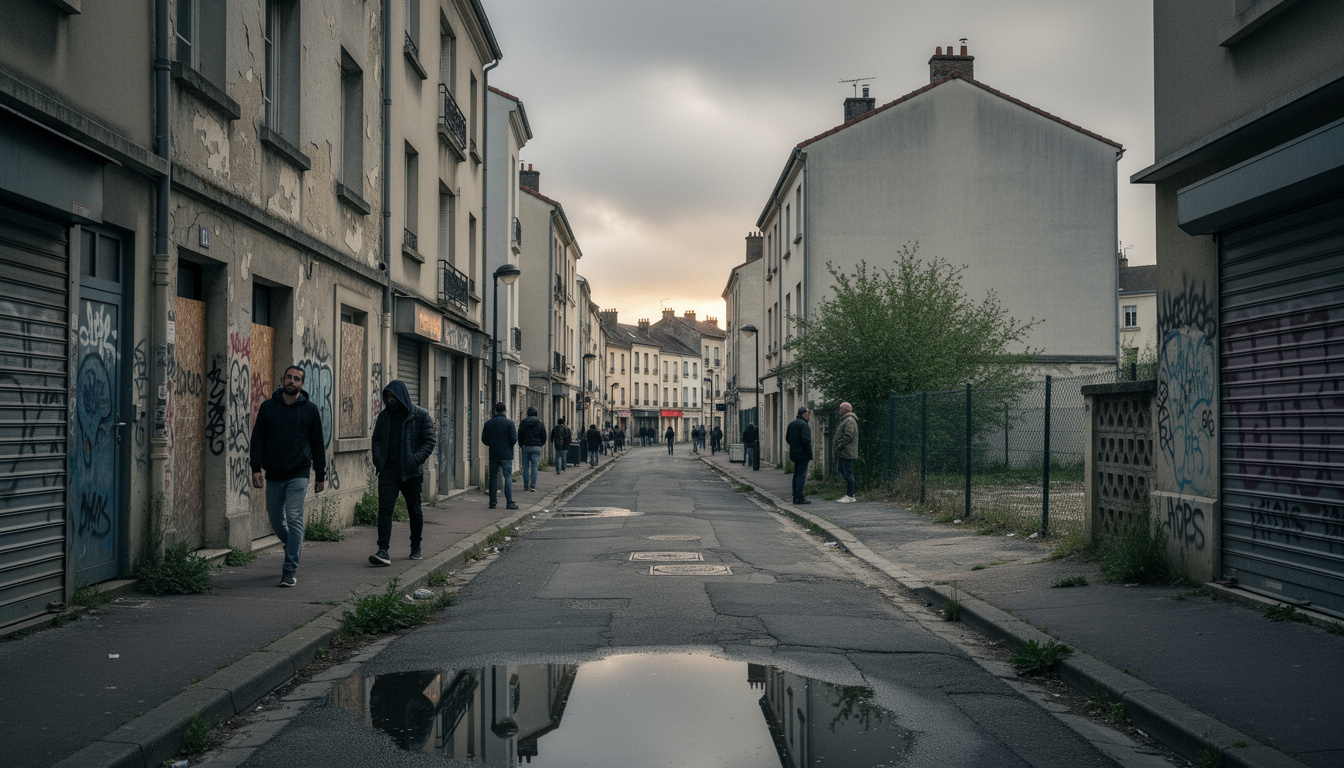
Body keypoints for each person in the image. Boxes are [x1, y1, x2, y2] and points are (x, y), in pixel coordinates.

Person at [249, 365, 326, 587]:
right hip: (273, 473)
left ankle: (289, 568)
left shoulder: (310, 410)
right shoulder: (268, 408)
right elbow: (257, 440)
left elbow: (317, 445)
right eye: (289, 377)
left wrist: (320, 475)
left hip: (299, 473)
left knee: (294, 519)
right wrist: (256, 468)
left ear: (302, 384)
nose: (292, 381)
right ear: (282, 379)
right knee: (275, 519)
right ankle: (293, 544)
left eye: (297, 379)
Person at [368, 380, 437, 566]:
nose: (390, 401)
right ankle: (383, 549)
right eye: (388, 397)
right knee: (385, 510)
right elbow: (376, 440)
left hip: (410, 472)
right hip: (388, 471)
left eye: (393, 397)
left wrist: (414, 460)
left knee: (414, 510)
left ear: (402, 396)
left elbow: (429, 441)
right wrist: (378, 459)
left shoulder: (420, 415)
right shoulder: (384, 417)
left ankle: (416, 546)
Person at [481, 402, 519, 510]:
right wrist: (508, 445)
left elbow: (484, 439)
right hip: (506, 454)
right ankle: (509, 502)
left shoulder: (489, 423)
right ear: (504, 410)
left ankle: (492, 502)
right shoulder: (509, 423)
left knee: (493, 478)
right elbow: (514, 439)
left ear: (495, 410)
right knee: (507, 477)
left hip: (494, 454)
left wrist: (492, 444)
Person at [785, 406, 813, 504]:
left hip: (794, 453)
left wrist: (794, 445)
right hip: (803, 454)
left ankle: (795, 496)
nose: (808, 416)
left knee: (796, 475)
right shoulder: (804, 425)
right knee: (801, 475)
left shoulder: (792, 424)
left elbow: (787, 438)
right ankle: (799, 497)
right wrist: (809, 453)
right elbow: (806, 440)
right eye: (807, 414)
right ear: (803, 414)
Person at [835, 401, 859, 503]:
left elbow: (849, 434)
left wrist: (840, 444)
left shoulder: (849, 420)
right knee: (843, 471)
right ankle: (849, 494)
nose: (839, 411)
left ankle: (850, 495)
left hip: (847, 451)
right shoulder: (846, 419)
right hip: (844, 451)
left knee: (848, 473)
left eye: (841, 409)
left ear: (845, 410)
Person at [518, 406, 546, 492]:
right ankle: (533, 485)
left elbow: (520, 434)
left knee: (525, 467)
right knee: (534, 466)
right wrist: (540, 444)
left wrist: (521, 444)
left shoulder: (523, 422)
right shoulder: (540, 423)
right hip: (536, 446)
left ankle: (526, 485)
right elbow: (544, 435)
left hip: (526, 446)